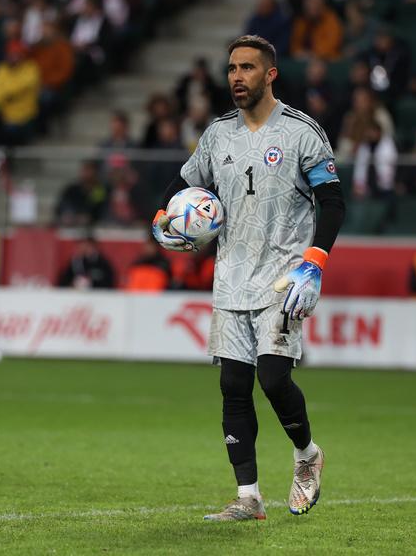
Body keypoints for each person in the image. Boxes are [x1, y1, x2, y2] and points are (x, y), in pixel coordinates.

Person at [151, 35, 345, 520]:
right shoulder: (218, 135)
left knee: (273, 378)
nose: (237, 77)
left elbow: (333, 202)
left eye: (247, 68)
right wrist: (162, 217)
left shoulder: (302, 132)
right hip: (231, 278)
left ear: (270, 74)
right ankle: (249, 497)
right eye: (232, 68)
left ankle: (307, 455)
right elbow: (184, 183)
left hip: (284, 277)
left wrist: (315, 261)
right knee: (234, 386)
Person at [0, 40, 41, 145]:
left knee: (12, 131)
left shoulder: (30, 68)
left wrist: (3, 92)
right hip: (3, 112)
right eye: (11, 54)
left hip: (24, 115)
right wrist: (5, 96)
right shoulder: (1, 69)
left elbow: (20, 87)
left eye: (17, 54)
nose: (13, 57)